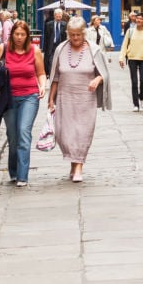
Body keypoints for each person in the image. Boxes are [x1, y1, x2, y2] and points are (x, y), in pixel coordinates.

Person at [48, 16, 111, 183]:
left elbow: (104, 73)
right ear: (68, 33)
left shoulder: (94, 49)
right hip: (65, 97)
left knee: (82, 133)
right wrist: (50, 100)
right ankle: (73, 162)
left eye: (78, 35)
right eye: (72, 34)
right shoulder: (60, 49)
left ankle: (78, 167)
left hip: (85, 99)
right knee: (64, 135)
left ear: (84, 33)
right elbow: (55, 76)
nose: (75, 38)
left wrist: (97, 80)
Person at [0, 20, 46, 186]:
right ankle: (13, 172)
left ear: (27, 36)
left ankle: (22, 176)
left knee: (23, 133)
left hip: (30, 96)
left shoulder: (35, 51)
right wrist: (0, 71)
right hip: (9, 97)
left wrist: (42, 86)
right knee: (13, 137)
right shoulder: (3, 49)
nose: (19, 37)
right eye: (17, 34)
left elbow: (41, 72)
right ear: (12, 34)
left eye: (23, 34)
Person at [119, 12, 143, 111]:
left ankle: (142, 97)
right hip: (132, 59)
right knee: (134, 82)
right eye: (137, 18)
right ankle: (136, 104)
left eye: (140, 19)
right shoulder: (130, 31)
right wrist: (121, 58)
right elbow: (124, 45)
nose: (138, 20)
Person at [42, 8, 67, 74]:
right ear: (54, 15)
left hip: (61, 46)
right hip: (52, 46)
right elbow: (46, 37)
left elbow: (66, 37)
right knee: (51, 62)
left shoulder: (64, 25)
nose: (59, 18)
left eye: (60, 16)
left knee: (60, 61)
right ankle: (51, 75)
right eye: (57, 16)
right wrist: (44, 49)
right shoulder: (48, 24)